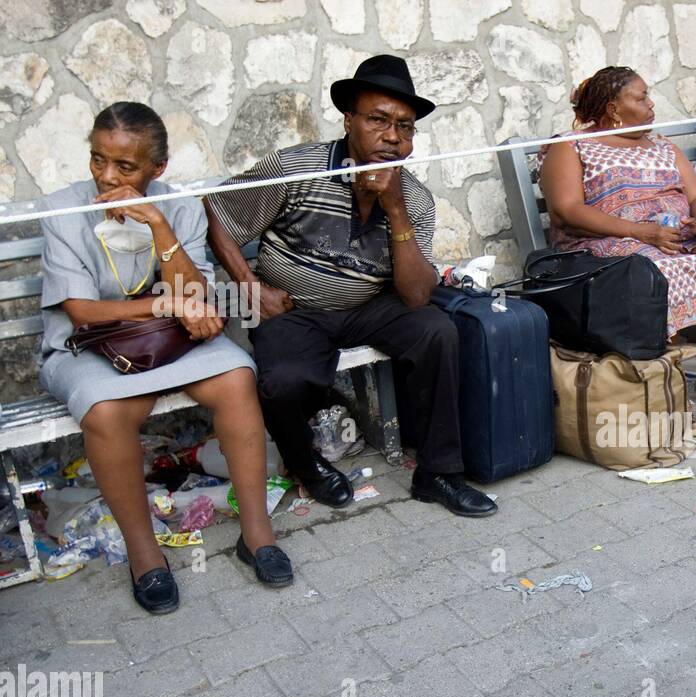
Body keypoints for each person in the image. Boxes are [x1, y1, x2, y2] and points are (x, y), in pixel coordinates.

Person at [205, 55, 497, 517]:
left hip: (368, 305)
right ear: (349, 121)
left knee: (436, 330)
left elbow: (417, 295)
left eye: (405, 127)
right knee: (284, 381)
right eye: (378, 120)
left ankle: (438, 472)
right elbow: (218, 212)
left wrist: (395, 210)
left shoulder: (414, 198)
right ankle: (307, 465)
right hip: (295, 308)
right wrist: (249, 285)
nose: (392, 136)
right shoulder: (298, 168)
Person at [37, 102, 292, 613]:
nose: (107, 176)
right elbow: (81, 310)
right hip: (88, 345)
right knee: (106, 411)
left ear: (158, 168)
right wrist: (165, 304)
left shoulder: (176, 206)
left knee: (236, 377)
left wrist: (159, 226)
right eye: (97, 160)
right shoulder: (64, 209)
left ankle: (257, 535)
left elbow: (194, 292)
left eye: (125, 167)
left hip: (167, 340)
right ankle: (144, 554)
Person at [539, 67, 696, 416]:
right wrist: (640, 231)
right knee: (652, 272)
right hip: (606, 243)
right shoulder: (571, 146)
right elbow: (566, 211)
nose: (651, 104)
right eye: (641, 98)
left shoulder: (662, 146)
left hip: (671, 236)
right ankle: (664, 387)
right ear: (613, 108)